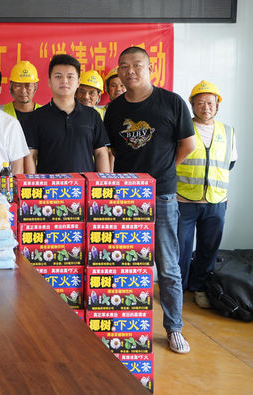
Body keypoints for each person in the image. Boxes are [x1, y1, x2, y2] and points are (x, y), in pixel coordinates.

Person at [104, 46, 195, 355]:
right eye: (124, 66)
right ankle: (121, 324)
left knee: (167, 265)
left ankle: (174, 328)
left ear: (150, 68)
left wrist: (163, 171)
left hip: (163, 194)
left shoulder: (171, 102)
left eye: (137, 65)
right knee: (124, 263)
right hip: (126, 196)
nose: (130, 71)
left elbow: (188, 145)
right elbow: (112, 151)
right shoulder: (114, 110)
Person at [176, 80, 236, 309]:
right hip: (184, 199)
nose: (206, 107)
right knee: (180, 248)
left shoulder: (228, 132)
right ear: (192, 105)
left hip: (216, 200)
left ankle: (200, 288)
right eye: (200, 103)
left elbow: (230, 163)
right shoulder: (182, 129)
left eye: (210, 103)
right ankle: (178, 289)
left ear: (217, 105)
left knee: (208, 249)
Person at [26, 54, 110, 173]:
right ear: (49, 81)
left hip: (84, 184)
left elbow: (101, 153)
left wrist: (102, 182)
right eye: (58, 76)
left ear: (78, 82)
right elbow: (31, 155)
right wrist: (33, 183)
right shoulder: (36, 117)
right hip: (49, 184)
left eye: (70, 77)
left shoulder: (92, 116)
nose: (64, 81)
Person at [2, 60, 42, 137]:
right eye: (18, 85)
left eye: (28, 86)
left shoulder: (45, 114)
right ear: (11, 87)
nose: (23, 91)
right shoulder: (0, 112)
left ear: (35, 87)